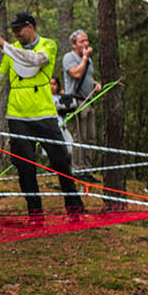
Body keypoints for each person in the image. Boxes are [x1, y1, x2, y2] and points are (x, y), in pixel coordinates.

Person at [0, 12, 83, 217]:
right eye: (13, 31)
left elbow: (35, 60)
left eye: (19, 30)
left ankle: (75, 208)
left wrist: (5, 45)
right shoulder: (11, 51)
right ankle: (35, 213)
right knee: (25, 167)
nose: (16, 34)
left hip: (45, 115)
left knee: (60, 161)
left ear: (31, 26)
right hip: (17, 117)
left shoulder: (48, 45)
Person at [60, 29, 100, 181]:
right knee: (79, 137)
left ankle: (87, 170)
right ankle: (77, 170)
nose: (86, 44)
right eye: (82, 41)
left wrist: (96, 84)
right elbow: (76, 74)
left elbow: (88, 77)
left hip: (89, 100)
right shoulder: (69, 58)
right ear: (74, 44)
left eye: (87, 40)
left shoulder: (89, 60)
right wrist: (84, 58)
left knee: (90, 137)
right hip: (76, 102)